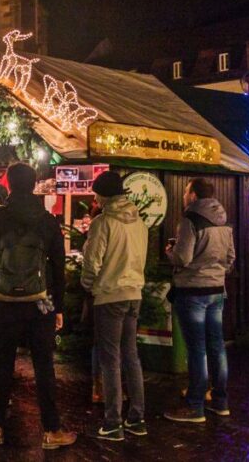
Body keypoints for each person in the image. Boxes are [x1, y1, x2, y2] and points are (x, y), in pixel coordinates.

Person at [0, 162, 75, 450]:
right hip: (39, 302)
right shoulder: (46, 220)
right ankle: (51, 430)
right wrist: (58, 306)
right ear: (33, 185)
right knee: (44, 365)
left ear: (8, 184)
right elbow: (59, 265)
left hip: (4, 302)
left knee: (2, 363)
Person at [81, 171, 148, 441]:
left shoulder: (104, 222)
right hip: (134, 294)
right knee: (131, 356)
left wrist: (88, 284)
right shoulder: (139, 222)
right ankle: (137, 417)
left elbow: (92, 261)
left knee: (110, 359)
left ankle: (112, 422)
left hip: (110, 295)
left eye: (97, 193)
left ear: (104, 195)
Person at [164, 178, 235, 423]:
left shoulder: (190, 220)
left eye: (186, 191)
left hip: (193, 291)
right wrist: (214, 270)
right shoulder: (223, 222)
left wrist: (170, 252)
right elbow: (230, 258)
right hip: (217, 290)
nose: (184, 195)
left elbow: (182, 258)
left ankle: (195, 406)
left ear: (193, 195)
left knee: (197, 348)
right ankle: (220, 401)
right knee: (216, 345)